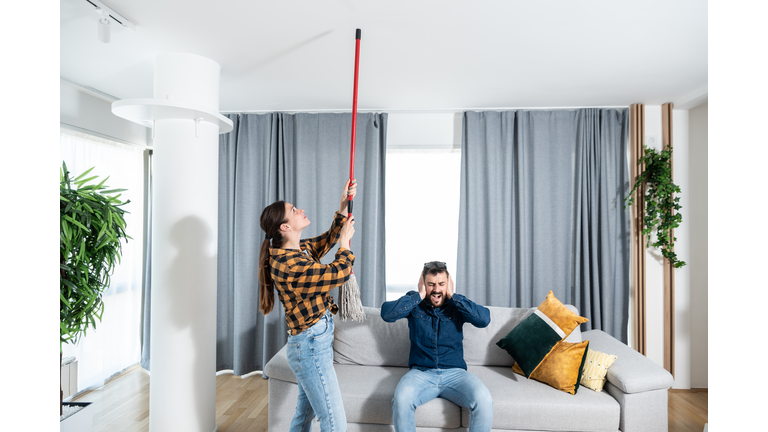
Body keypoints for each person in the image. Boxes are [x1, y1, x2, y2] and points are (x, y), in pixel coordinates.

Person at [258, 180, 357, 432]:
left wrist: (343, 205)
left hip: (313, 341)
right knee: (335, 423)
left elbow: (327, 239)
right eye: (294, 210)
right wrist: (345, 245)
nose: (300, 210)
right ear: (285, 226)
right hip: (310, 346)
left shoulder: (297, 249)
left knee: (303, 417)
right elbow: (336, 273)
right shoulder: (289, 266)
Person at [381, 261, 494, 432]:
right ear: (423, 283)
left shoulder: (457, 305)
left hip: (455, 374)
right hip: (421, 373)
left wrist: (454, 296)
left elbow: (484, 319)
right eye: (431, 284)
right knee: (401, 399)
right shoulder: (414, 303)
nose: (436, 289)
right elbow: (386, 314)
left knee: (484, 398)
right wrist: (418, 295)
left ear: (448, 283)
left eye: (441, 284)